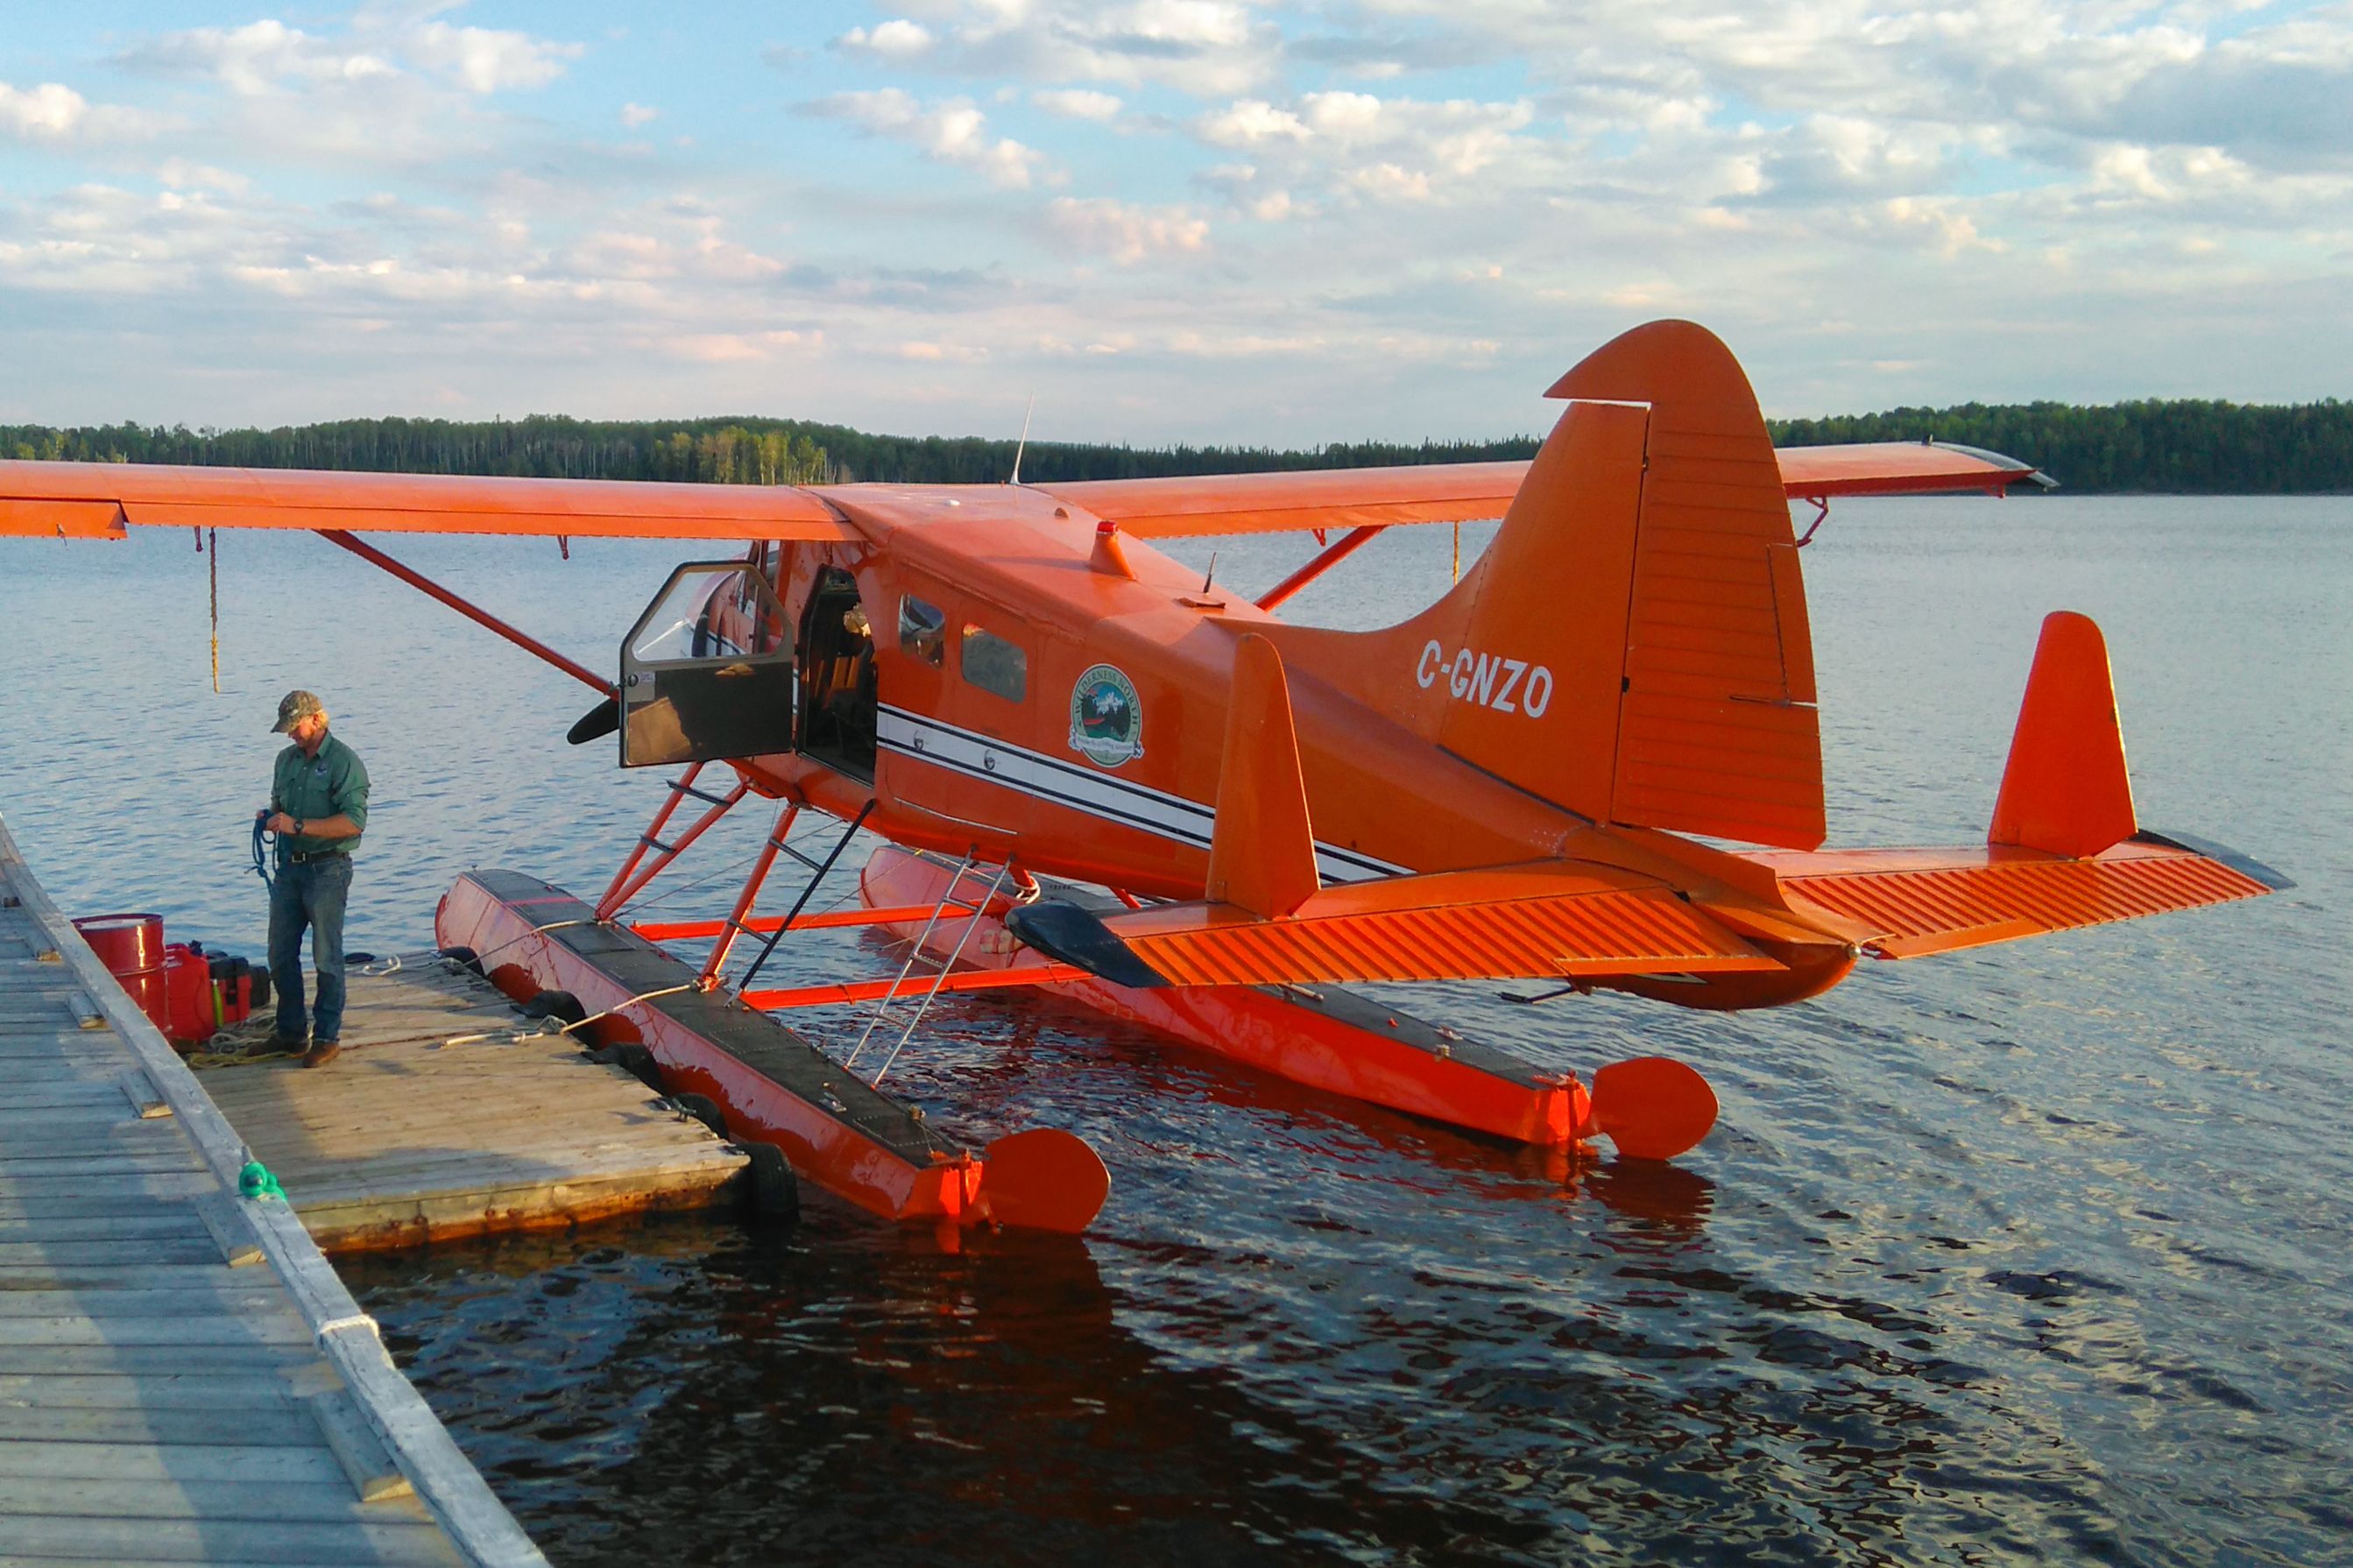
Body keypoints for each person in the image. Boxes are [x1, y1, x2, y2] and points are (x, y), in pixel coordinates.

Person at [258, 689, 370, 1068]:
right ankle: (290, 1034)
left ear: (318, 720)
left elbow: (354, 822)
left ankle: (326, 1036)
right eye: (288, 730)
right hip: (290, 867)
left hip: (328, 869)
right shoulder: (285, 761)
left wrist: (299, 825)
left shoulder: (345, 763)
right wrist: (271, 817)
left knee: (326, 956)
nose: (292, 736)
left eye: (296, 728)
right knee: (279, 954)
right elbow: (280, 805)